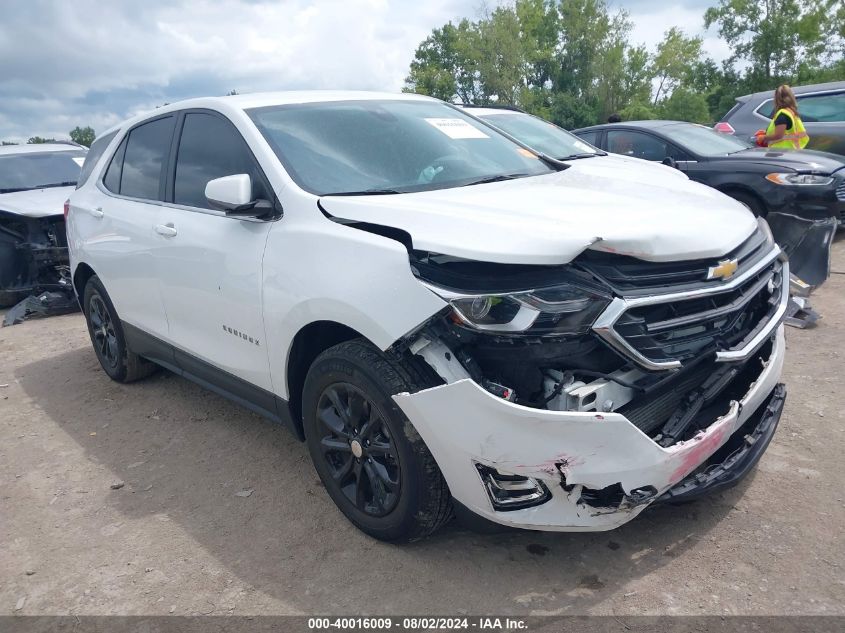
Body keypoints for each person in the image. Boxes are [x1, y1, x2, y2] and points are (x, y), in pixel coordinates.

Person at [758, 85, 809, 150]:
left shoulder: (782, 114)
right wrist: (767, 132)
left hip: (781, 152)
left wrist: (763, 137)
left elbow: (778, 135)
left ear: (776, 99)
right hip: (791, 151)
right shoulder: (791, 112)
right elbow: (787, 131)